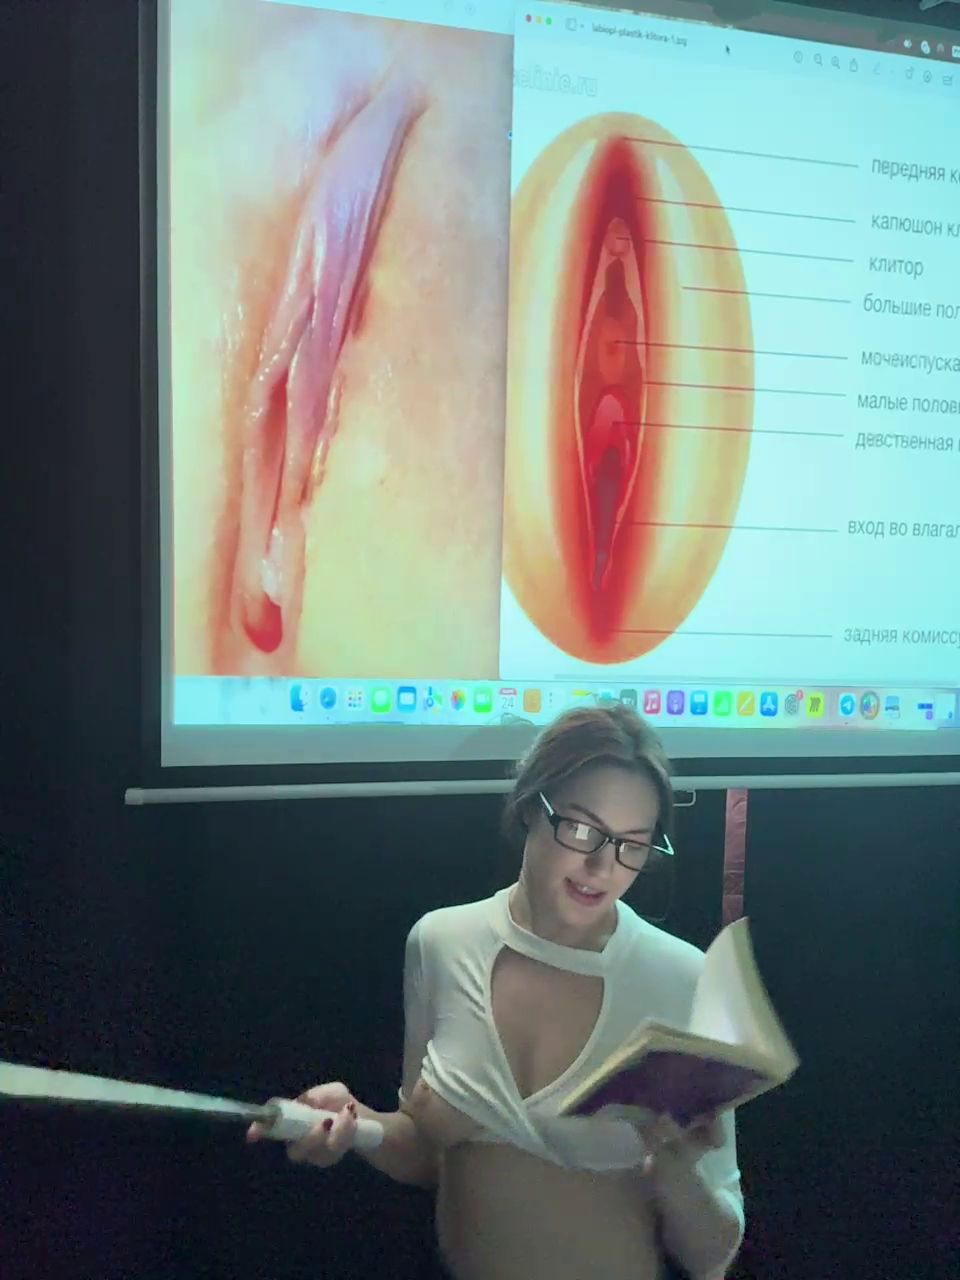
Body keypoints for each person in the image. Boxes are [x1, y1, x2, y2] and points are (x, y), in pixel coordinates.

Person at [248, 703, 745, 1280]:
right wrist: (354, 1127)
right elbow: (428, 1153)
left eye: (631, 845)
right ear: (531, 805)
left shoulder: (683, 979)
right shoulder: (441, 942)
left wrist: (675, 1169)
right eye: (582, 829)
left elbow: (715, 1253)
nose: (602, 866)